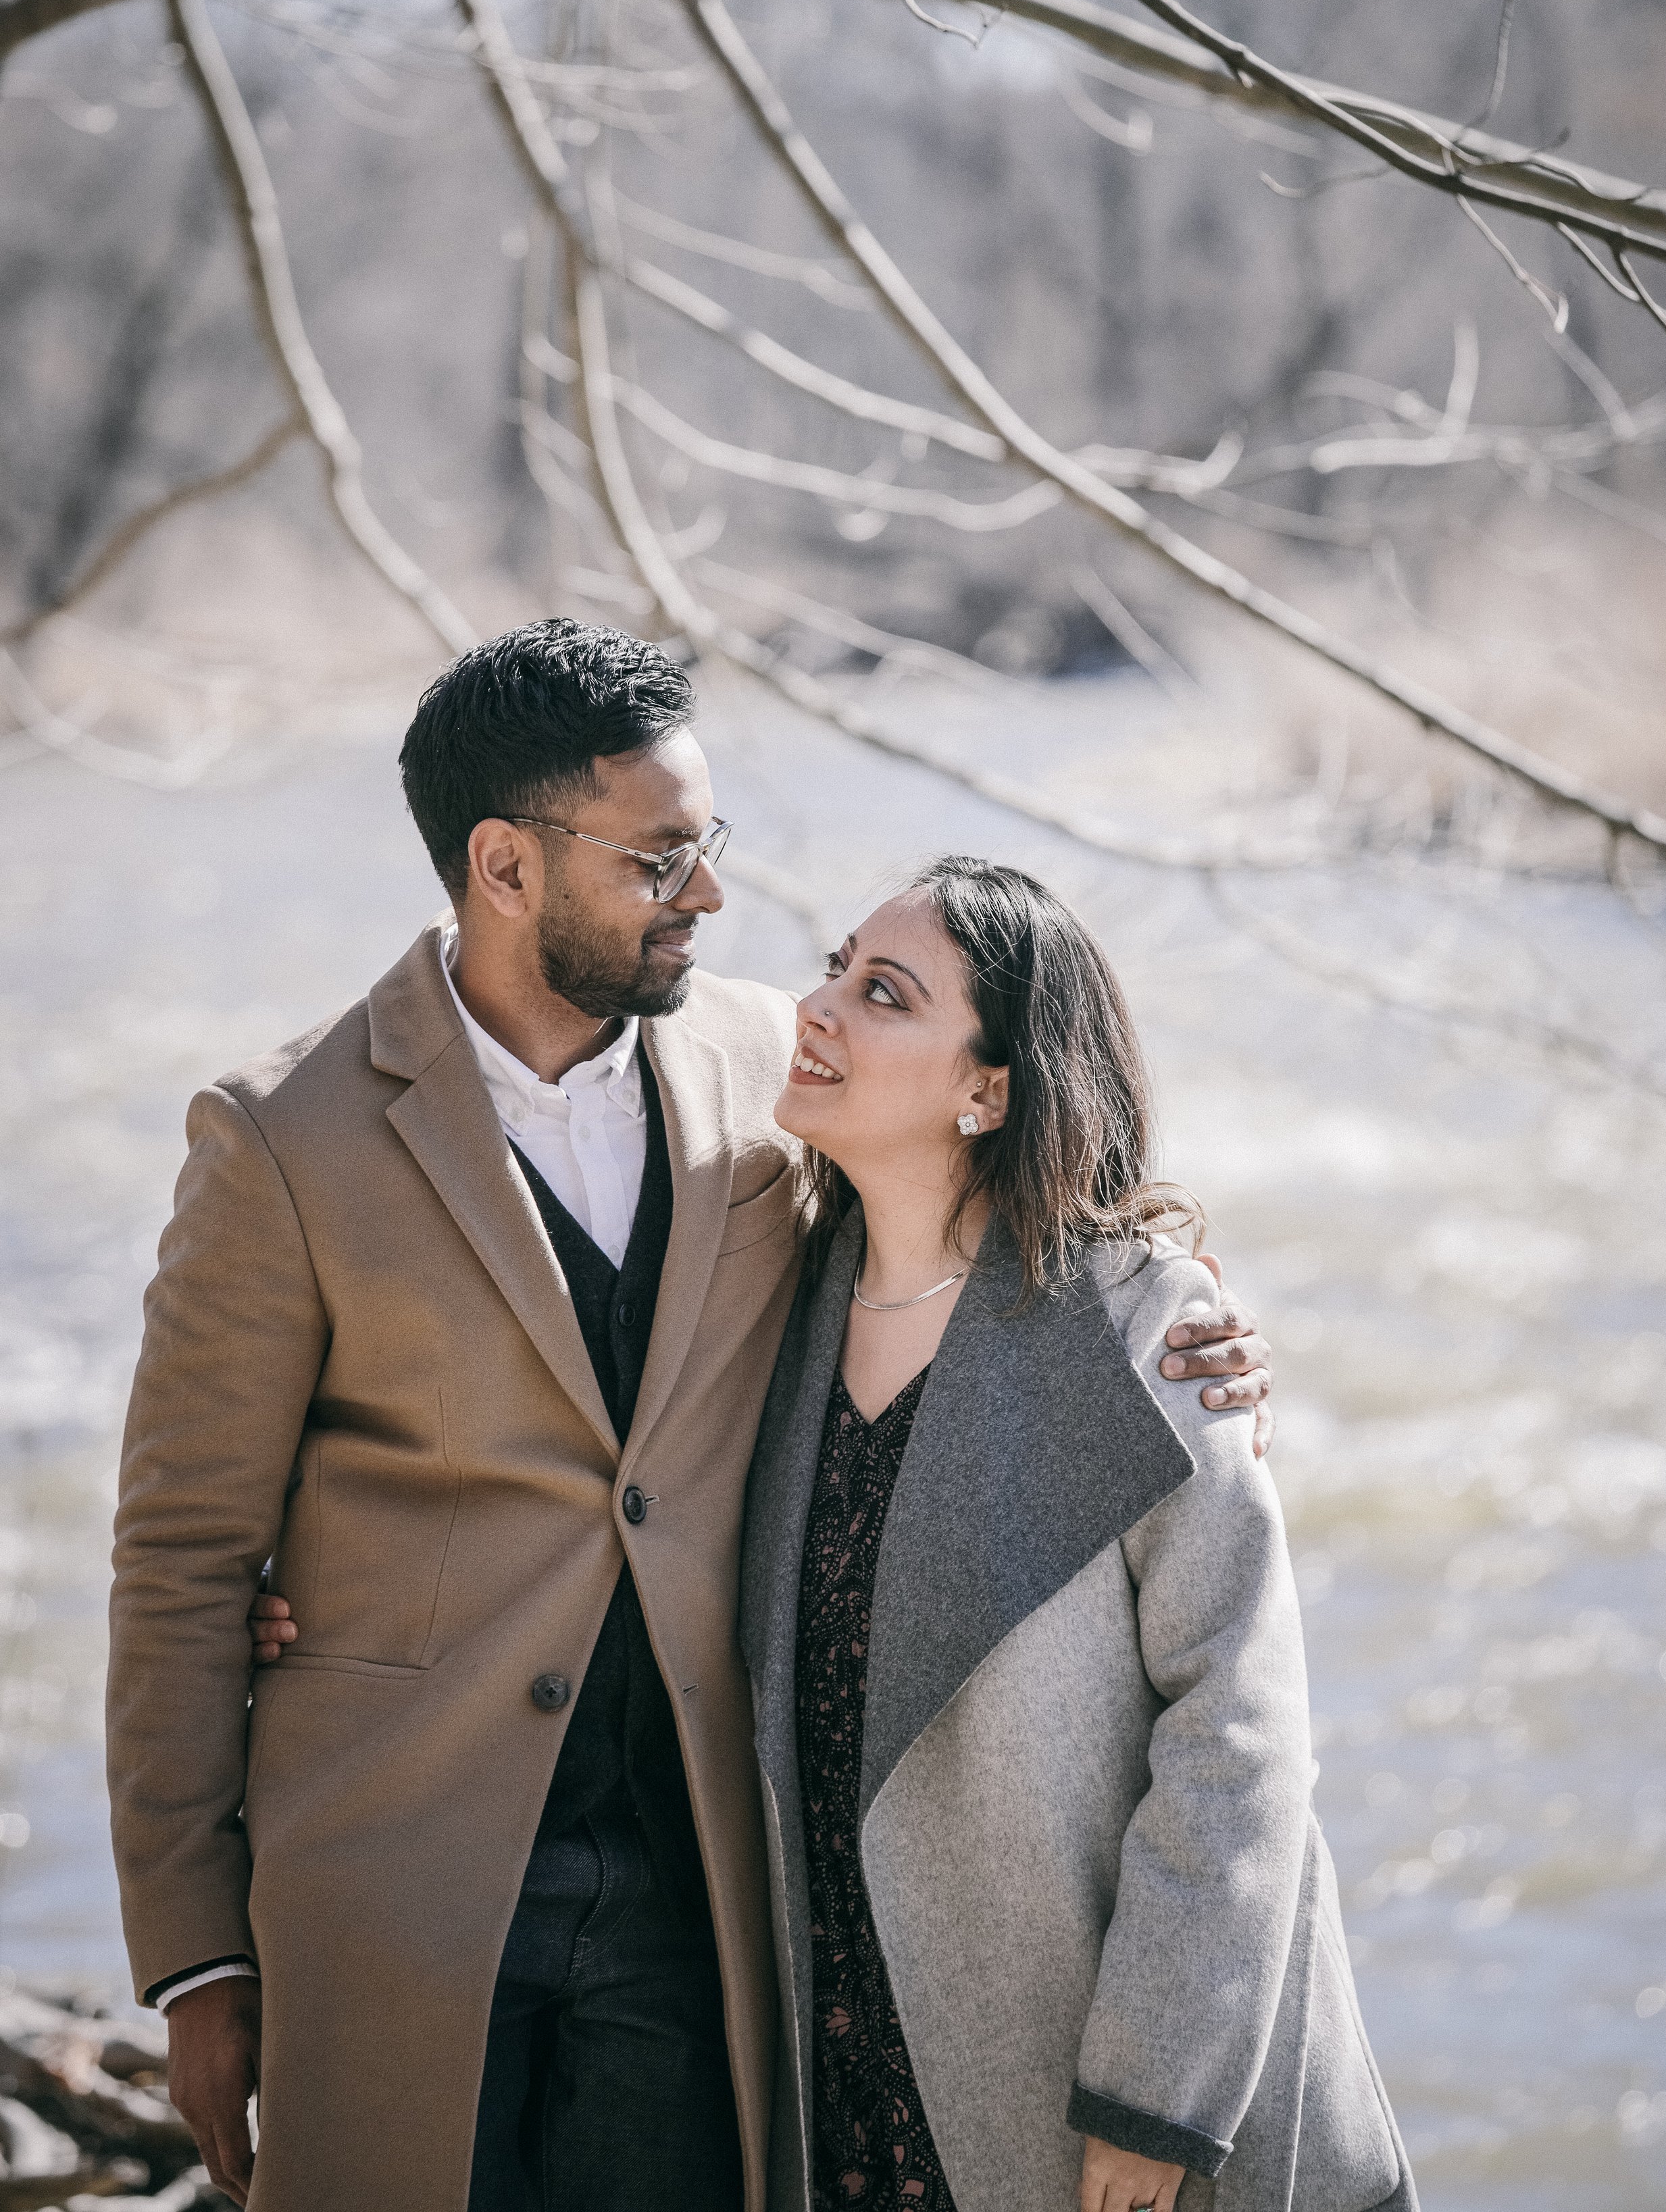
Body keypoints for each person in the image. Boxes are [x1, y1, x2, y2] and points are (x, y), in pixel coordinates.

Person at [107, 620, 1275, 2212]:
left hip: (704, 1883)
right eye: (659, 859)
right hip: (394, 1885)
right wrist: (196, 1956)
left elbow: (961, 1213)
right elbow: (180, 1559)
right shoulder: (279, 1139)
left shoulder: (767, 1071)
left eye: (704, 844)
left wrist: (1169, 1299)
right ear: (505, 868)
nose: (709, 894)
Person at [740, 858, 1415, 2212]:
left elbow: (1237, 1727)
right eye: (832, 962)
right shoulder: (772, 1300)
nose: (814, 1006)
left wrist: (1153, 2091)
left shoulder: (1135, 1325)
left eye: (881, 993)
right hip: (851, 2078)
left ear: (985, 1089)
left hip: (1104, 2099)